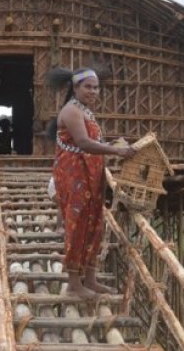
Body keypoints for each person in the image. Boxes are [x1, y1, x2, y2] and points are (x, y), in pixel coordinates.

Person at [47, 67, 138, 298]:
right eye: (88, 86)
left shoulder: (86, 112)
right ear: (75, 88)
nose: (93, 91)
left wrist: (114, 147)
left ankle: (90, 278)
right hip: (74, 173)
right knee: (77, 223)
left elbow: (93, 143)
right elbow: (84, 143)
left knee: (94, 223)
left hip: (92, 174)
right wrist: (116, 151)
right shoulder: (71, 111)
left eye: (96, 87)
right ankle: (73, 284)